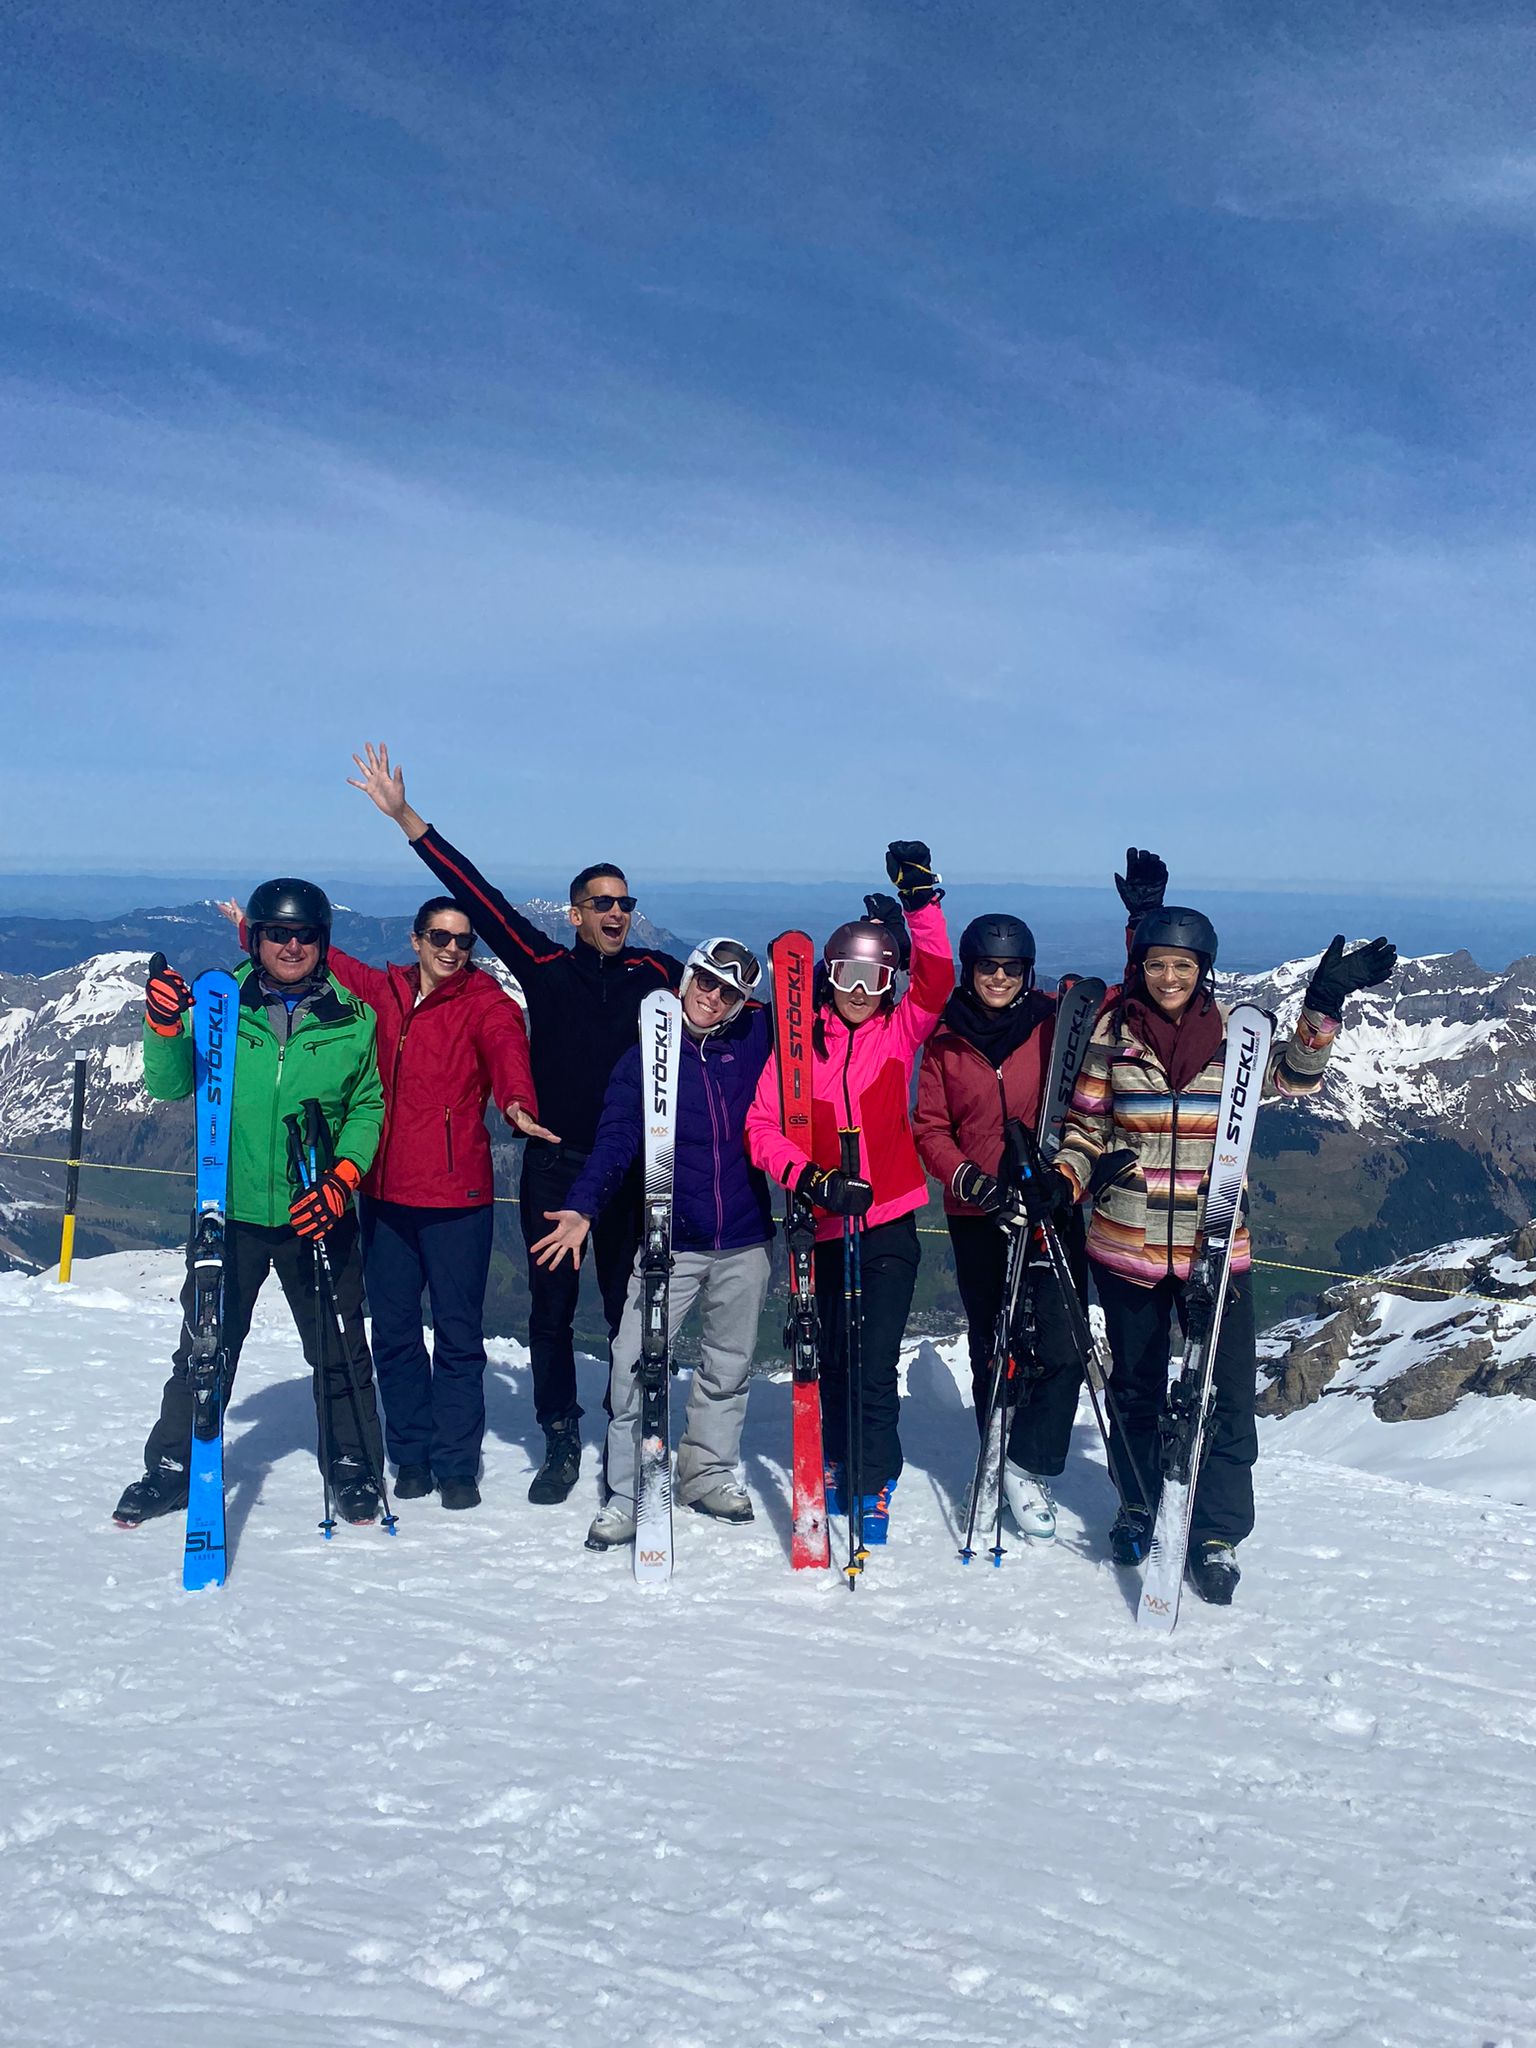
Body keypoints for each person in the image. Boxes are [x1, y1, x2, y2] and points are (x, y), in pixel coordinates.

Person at [347, 742, 684, 1505]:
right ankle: (561, 1439)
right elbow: (481, 896)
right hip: (557, 1164)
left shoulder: (658, 974)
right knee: (552, 1315)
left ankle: (623, 1436)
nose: (617, 914)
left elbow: (721, 1003)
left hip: (636, 1167)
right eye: (602, 903)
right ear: (576, 914)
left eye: (625, 903)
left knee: (628, 1309)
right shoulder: (542, 965)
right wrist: (406, 818)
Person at [1052, 908, 1397, 1604]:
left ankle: (1215, 1533)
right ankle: (1140, 1507)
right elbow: (1085, 1127)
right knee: (1135, 1390)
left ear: (1202, 971)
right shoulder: (1113, 1036)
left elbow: (1296, 1079)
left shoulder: (1238, 1039)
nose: (1169, 977)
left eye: (1182, 965)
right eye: (1157, 964)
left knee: (1226, 1398)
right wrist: (1068, 1176)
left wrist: (1323, 1006)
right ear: (1141, 968)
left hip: (1217, 1249)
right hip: (1127, 1244)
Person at [217, 893, 538, 1511]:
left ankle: (456, 1463)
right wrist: (250, 933)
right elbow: (316, 956)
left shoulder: (485, 1003)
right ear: (415, 941)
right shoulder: (380, 990)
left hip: (457, 1198)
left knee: (458, 1335)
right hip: (384, 1194)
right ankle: (410, 1454)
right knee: (392, 1333)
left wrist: (517, 1102)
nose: (452, 950)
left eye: (463, 941)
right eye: (439, 938)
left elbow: (506, 1049)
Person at [113, 880, 389, 1528]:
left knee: (340, 1347)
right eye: (277, 934)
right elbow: (170, 1083)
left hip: (313, 1211)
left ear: (321, 943)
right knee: (204, 1346)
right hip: (229, 1211)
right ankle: (173, 1468)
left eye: (304, 936)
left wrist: (342, 1178)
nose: (290, 946)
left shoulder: (352, 1018)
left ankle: (352, 1466)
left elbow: (367, 1107)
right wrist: (163, 1026)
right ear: (256, 938)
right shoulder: (219, 1005)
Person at [911, 852, 1170, 1541]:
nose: (1000, 979)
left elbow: (1131, 1001)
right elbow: (931, 1128)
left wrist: (1141, 922)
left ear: (1029, 972)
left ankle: (1028, 1465)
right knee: (993, 1343)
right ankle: (991, 1453)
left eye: (1013, 969)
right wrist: (973, 1183)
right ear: (970, 970)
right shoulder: (944, 1042)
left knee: (1061, 1342)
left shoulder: (1058, 1022)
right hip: (979, 1213)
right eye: (988, 968)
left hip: (1052, 1202)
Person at [531, 939, 773, 1548]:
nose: (712, 997)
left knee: (728, 1365)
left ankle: (706, 1471)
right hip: (673, 1241)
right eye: (706, 981)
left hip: (745, 1237)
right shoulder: (644, 1059)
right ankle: (625, 1488)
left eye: (729, 992)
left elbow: (815, 1013)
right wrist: (584, 1207)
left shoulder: (753, 1044)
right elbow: (615, 1141)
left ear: (744, 1002)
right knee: (634, 1361)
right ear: (686, 976)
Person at [745, 842, 953, 1544]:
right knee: (830, 1354)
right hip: (827, 1224)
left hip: (889, 1222)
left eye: (873, 976)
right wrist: (810, 1180)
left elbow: (938, 981)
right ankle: (836, 1457)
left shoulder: (898, 1035)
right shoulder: (798, 1048)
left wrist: (922, 906)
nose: (859, 990)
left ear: (888, 980)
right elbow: (762, 1126)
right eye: (846, 975)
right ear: (827, 978)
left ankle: (873, 1477)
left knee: (872, 1357)